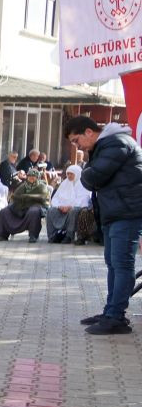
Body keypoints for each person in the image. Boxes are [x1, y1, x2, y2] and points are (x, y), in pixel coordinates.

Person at [65, 115, 142, 335]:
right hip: (115, 212)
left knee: (122, 265)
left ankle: (116, 316)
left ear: (89, 132)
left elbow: (93, 177)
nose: (77, 146)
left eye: (76, 140)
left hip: (127, 213)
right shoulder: (106, 146)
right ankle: (111, 311)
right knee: (113, 264)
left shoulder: (117, 143)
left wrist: (87, 173)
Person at [0, 170, 49, 242]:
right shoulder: (23, 186)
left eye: (34, 177)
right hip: (22, 206)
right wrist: (22, 198)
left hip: (36, 205)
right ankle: (2, 235)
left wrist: (27, 196)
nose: (31, 178)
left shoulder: (41, 186)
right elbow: (15, 196)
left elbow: (43, 197)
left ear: (37, 177)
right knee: (4, 211)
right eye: (30, 176)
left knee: (33, 212)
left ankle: (33, 235)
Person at [45, 164, 92, 245]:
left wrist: (69, 206)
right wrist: (59, 206)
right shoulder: (65, 183)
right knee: (50, 210)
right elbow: (56, 198)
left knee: (73, 211)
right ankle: (52, 236)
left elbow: (84, 199)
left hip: (76, 208)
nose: (69, 176)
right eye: (68, 174)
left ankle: (69, 236)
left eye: (71, 174)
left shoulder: (83, 184)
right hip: (62, 208)